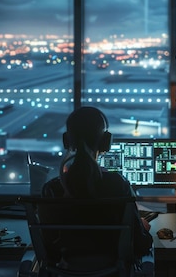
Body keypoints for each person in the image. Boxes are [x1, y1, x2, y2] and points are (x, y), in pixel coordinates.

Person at [42, 106, 154, 262]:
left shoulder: (52, 188)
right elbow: (141, 245)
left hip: (65, 269)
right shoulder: (118, 184)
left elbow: (47, 247)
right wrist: (143, 229)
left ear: (67, 141)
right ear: (105, 142)